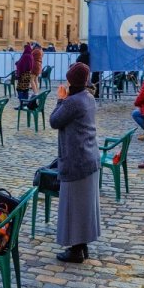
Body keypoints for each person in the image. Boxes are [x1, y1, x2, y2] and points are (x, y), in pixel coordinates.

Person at [50, 62, 101, 263]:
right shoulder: (88, 97)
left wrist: (60, 100)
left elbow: (54, 121)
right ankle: (83, 245)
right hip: (89, 156)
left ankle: (76, 249)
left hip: (76, 159)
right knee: (85, 205)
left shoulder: (73, 102)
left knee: (73, 206)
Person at [13, 45, 35, 109]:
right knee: (25, 89)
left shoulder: (25, 56)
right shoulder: (30, 55)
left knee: (20, 89)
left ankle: (21, 104)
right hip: (28, 74)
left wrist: (17, 64)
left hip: (23, 75)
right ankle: (25, 103)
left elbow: (21, 64)